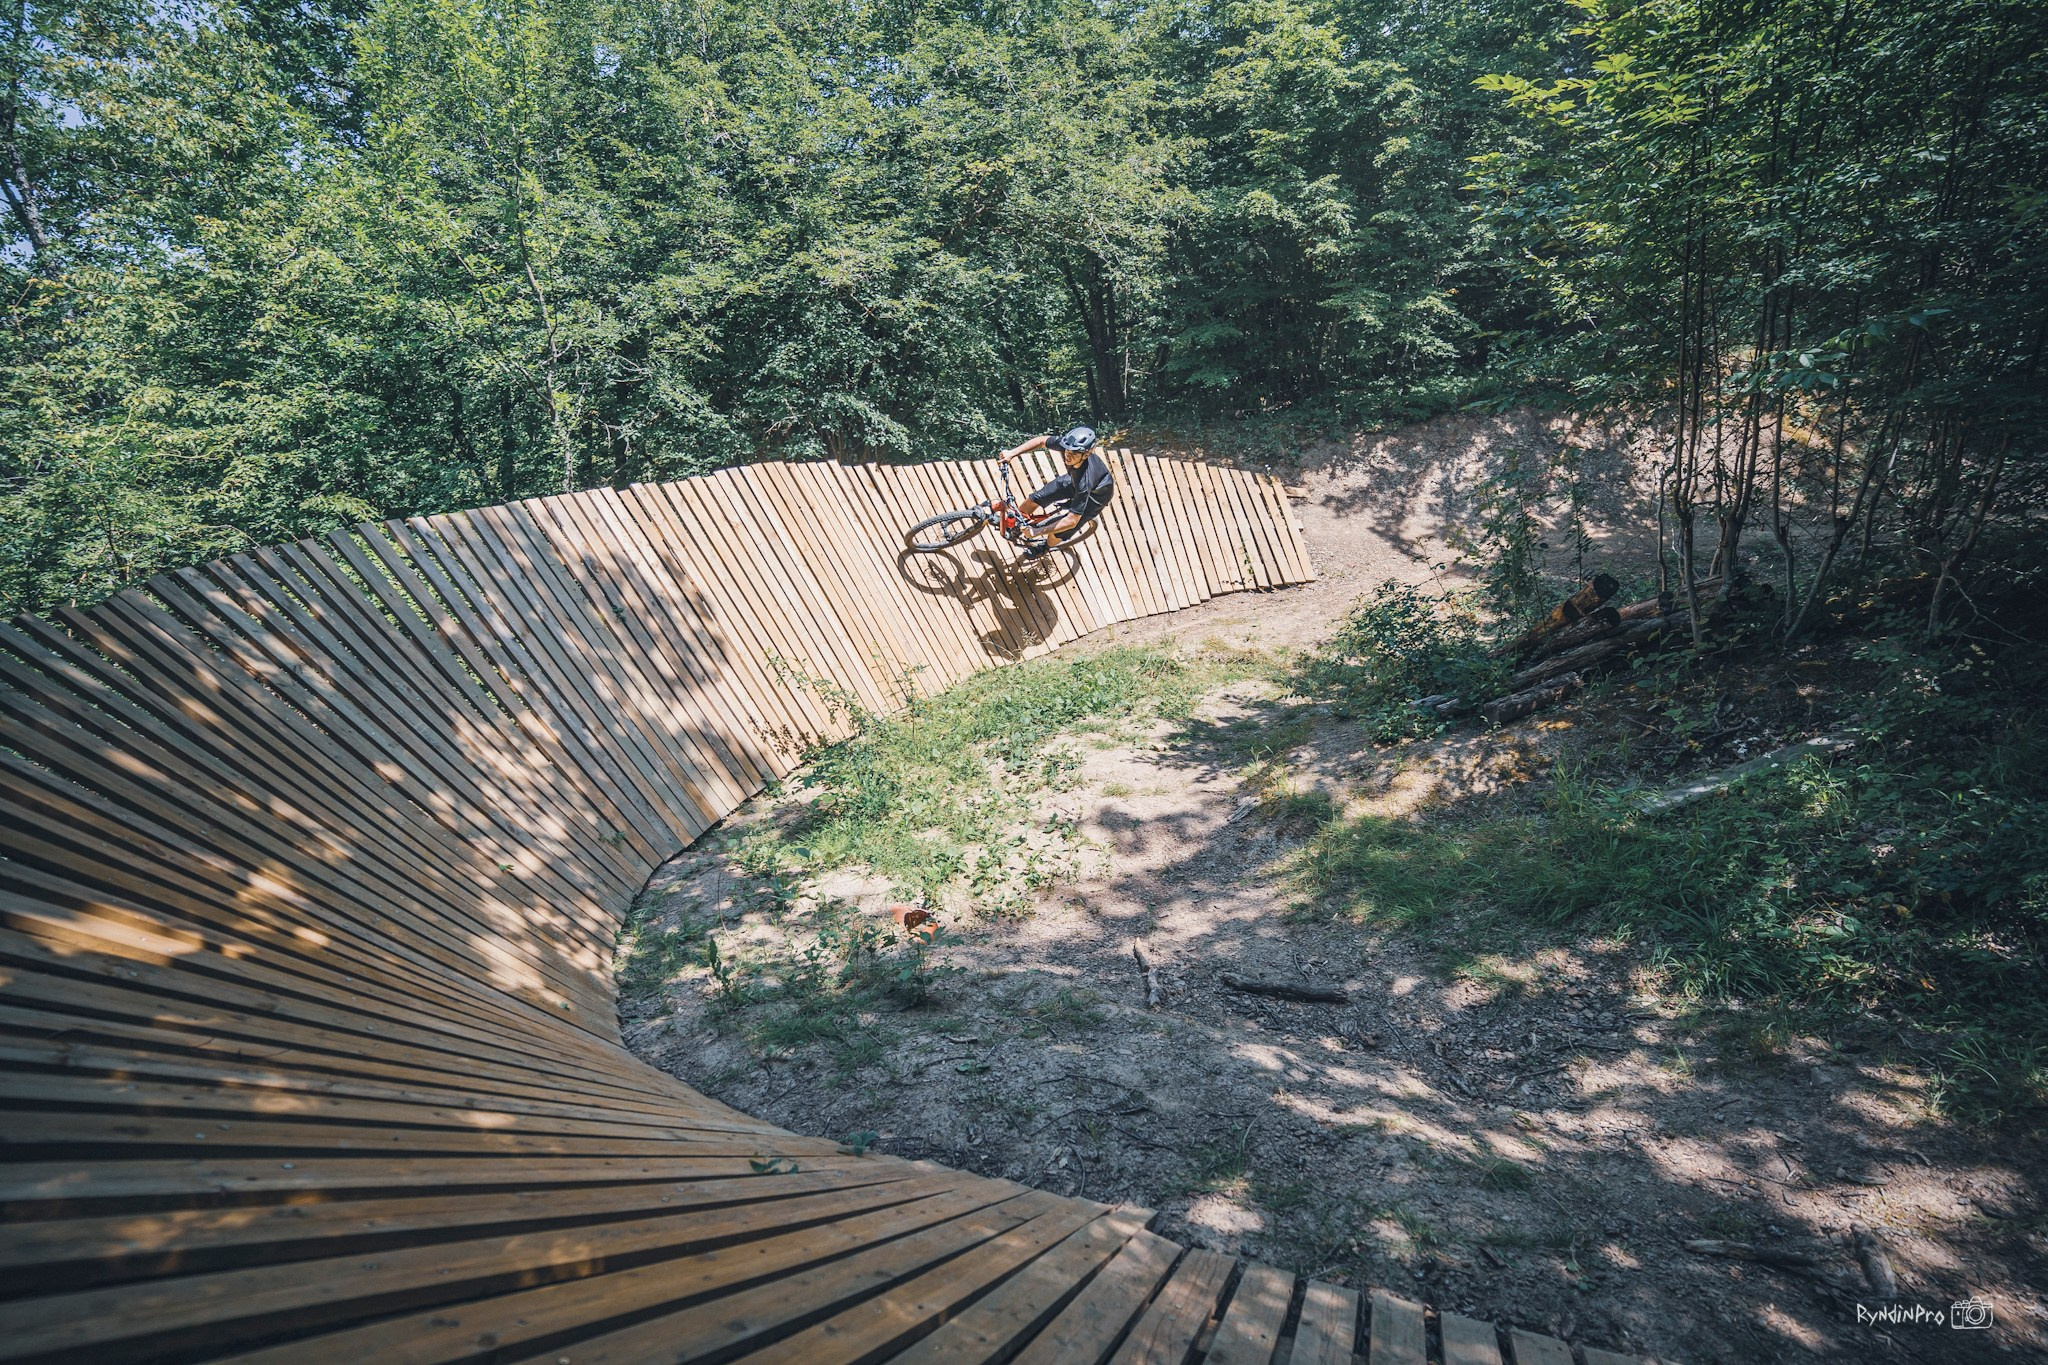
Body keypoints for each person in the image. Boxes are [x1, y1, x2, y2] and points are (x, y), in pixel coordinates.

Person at [997, 425, 1114, 558]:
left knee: (1058, 533)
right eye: (1067, 451)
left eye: (1074, 454)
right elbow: (1042, 440)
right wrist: (1012, 453)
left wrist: (1037, 531)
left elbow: (1071, 521)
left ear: (1086, 454)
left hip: (1096, 496)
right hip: (1073, 480)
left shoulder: (1085, 481)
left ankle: (1044, 547)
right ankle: (1016, 524)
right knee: (1036, 498)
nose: (1068, 456)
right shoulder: (1069, 446)